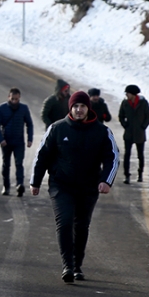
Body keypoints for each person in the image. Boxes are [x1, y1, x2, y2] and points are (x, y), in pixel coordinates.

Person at [30, 90, 120, 283]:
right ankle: (67, 266)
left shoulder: (102, 131)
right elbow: (42, 155)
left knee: (81, 225)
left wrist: (106, 180)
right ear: (70, 108)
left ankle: (77, 265)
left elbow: (112, 157)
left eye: (82, 106)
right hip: (61, 185)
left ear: (88, 108)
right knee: (65, 222)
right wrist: (35, 182)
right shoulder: (57, 128)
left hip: (88, 187)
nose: (79, 110)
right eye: (75, 106)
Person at [0, 88, 34, 197]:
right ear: (8, 97)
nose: (14, 101)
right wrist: (1, 139)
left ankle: (19, 185)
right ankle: (6, 186)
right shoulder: (2, 109)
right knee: (6, 164)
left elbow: (29, 124)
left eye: (16, 99)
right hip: (6, 141)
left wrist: (30, 138)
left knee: (19, 164)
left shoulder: (24, 109)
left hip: (19, 141)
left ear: (19, 98)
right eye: (12, 99)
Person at [118, 84, 149, 184]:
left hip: (140, 133)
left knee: (140, 155)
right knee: (127, 155)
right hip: (128, 133)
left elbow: (148, 116)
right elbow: (121, 116)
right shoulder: (125, 103)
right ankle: (127, 175)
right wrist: (125, 125)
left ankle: (140, 174)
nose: (126, 95)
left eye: (127, 93)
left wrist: (143, 127)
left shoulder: (143, 103)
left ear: (133, 94)